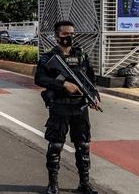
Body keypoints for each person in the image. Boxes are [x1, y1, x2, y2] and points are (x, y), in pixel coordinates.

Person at [34, 21, 101, 194]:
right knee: (56, 145)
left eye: (72, 33)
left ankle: (84, 184)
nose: (69, 37)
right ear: (57, 37)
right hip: (60, 106)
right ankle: (53, 185)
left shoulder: (82, 56)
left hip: (80, 107)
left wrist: (94, 96)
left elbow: (90, 79)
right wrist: (63, 84)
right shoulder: (48, 58)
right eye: (65, 34)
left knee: (83, 145)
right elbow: (39, 79)